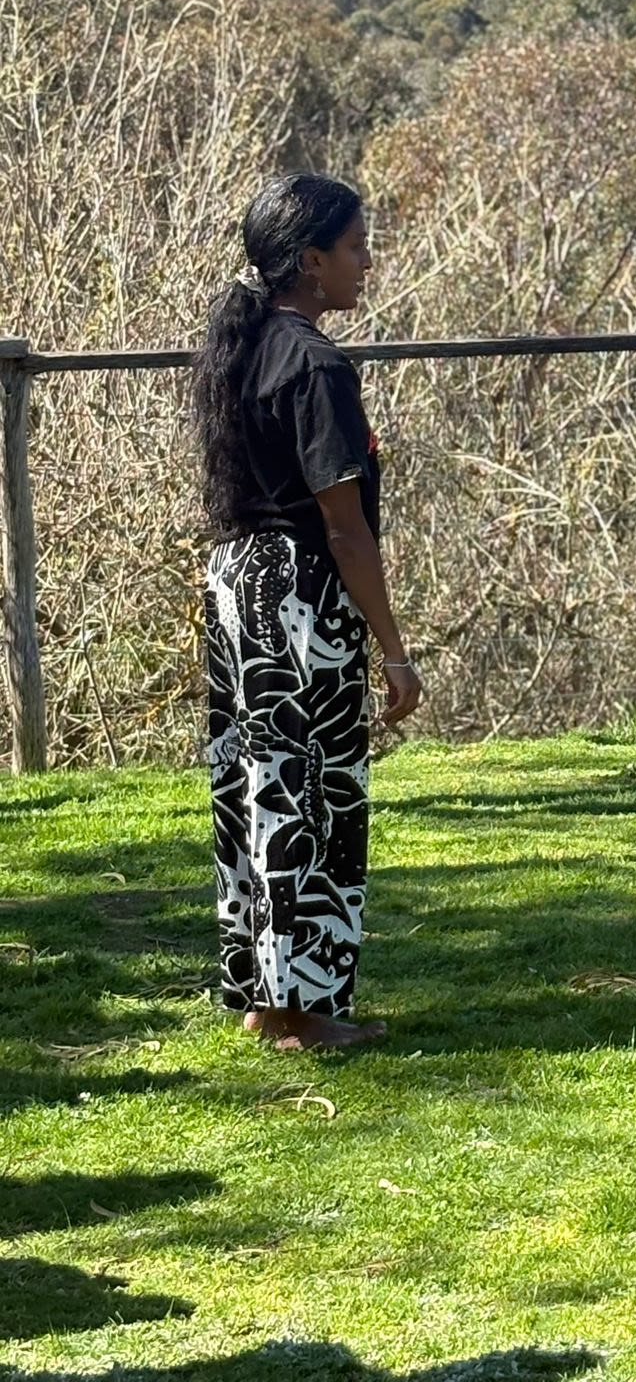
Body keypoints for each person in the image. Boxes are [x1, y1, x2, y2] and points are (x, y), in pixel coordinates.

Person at [191, 174, 422, 1051]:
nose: (367, 263)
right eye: (357, 246)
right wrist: (393, 652)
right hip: (298, 594)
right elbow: (344, 527)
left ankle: (263, 993)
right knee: (312, 794)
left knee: (255, 787)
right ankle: (304, 1013)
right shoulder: (316, 364)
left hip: (237, 583)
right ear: (313, 261)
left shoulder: (246, 348)